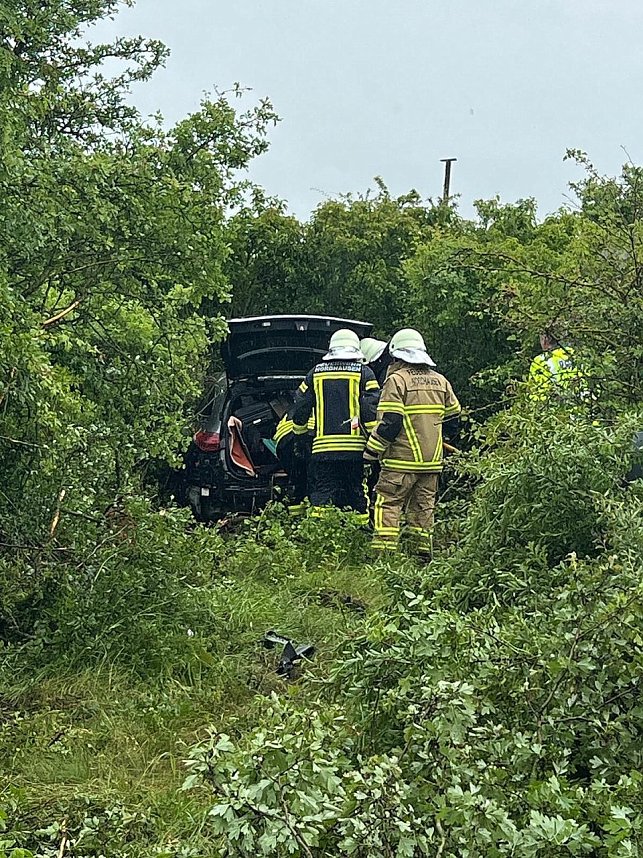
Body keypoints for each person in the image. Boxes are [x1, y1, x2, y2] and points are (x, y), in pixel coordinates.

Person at [363, 328, 461, 558]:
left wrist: (371, 452)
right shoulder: (441, 381)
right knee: (423, 510)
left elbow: (390, 422)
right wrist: (439, 441)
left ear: (396, 356)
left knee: (388, 505)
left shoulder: (396, 381)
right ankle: (422, 556)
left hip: (400, 462)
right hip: (431, 464)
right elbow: (454, 418)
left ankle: (384, 557)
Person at [292, 329, 380, 518]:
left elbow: (300, 405)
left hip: (323, 451)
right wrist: (375, 442)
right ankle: (359, 535)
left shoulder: (314, 374)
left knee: (322, 494)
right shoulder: (365, 373)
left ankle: (318, 536)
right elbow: (371, 409)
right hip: (355, 450)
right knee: (356, 493)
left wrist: (300, 437)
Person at [273, 408, 315, 515]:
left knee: (297, 480)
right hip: (310, 436)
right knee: (315, 481)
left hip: (285, 443)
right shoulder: (320, 406)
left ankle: (296, 517)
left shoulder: (292, 410)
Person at [528, 330, 586, 403]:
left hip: (557, 408)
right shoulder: (573, 353)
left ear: (546, 339)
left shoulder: (540, 361)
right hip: (582, 406)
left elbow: (536, 391)